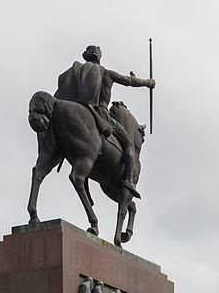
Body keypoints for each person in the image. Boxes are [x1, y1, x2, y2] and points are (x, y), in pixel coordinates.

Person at [55, 45, 155, 199]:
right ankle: (129, 180)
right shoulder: (106, 73)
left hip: (83, 109)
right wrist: (147, 83)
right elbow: (129, 81)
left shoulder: (78, 72)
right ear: (99, 57)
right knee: (128, 144)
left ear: (86, 56)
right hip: (102, 114)